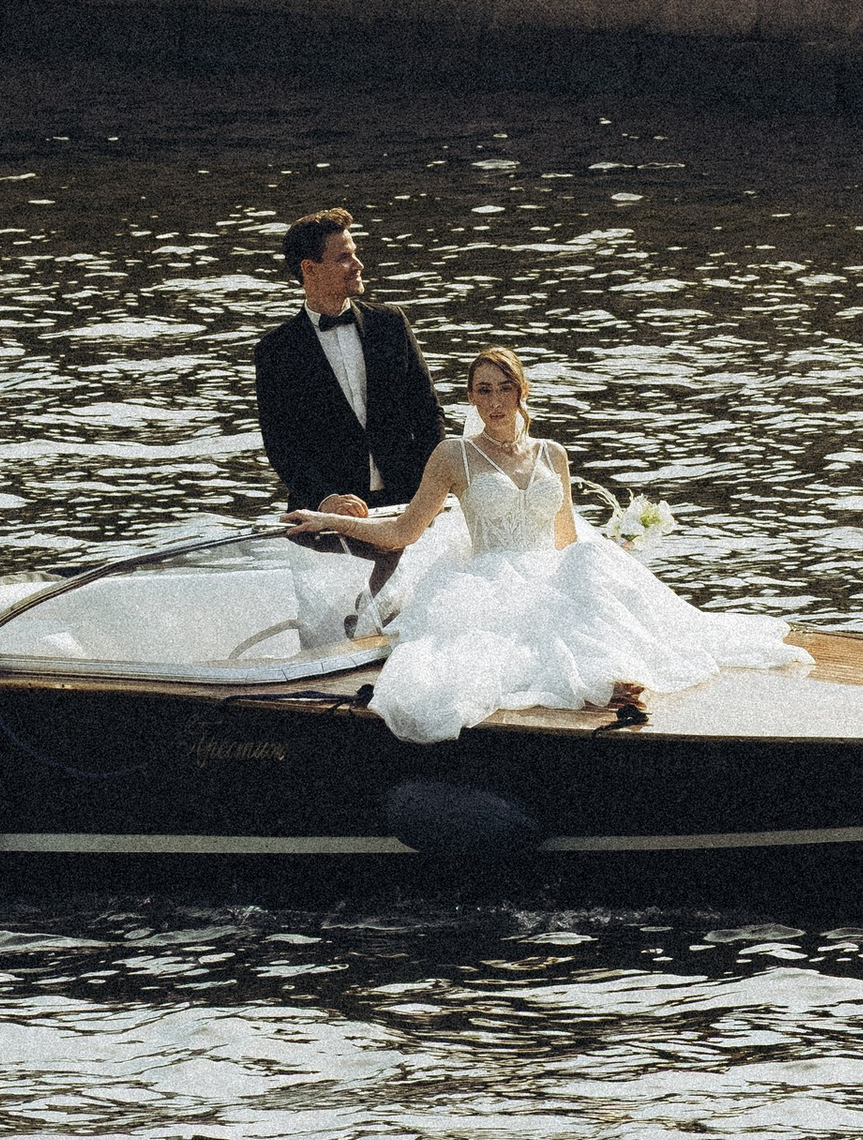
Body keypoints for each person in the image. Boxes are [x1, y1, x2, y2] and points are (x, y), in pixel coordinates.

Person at [286, 344, 810, 746]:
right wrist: (324, 519)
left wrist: (611, 555)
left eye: (504, 388)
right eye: (483, 390)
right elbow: (402, 532)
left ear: (522, 391)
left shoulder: (552, 453)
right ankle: (600, 680)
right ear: (471, 398)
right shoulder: (452, 455)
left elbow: (565, 539)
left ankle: (613, 673)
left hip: (546, 567)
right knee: (499, 652)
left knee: (589, 562)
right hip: (487, 576)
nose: (495, 402)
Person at [253, 206, 448, 519]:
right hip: (327, 516)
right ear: (310, 268)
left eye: (354, 253)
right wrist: (325, 499)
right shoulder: (276, 350)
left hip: (410, 504)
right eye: (344, 257)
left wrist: (431, 486)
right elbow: (282, 446)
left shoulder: (391, 323)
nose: (358, 264)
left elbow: (427, 413)